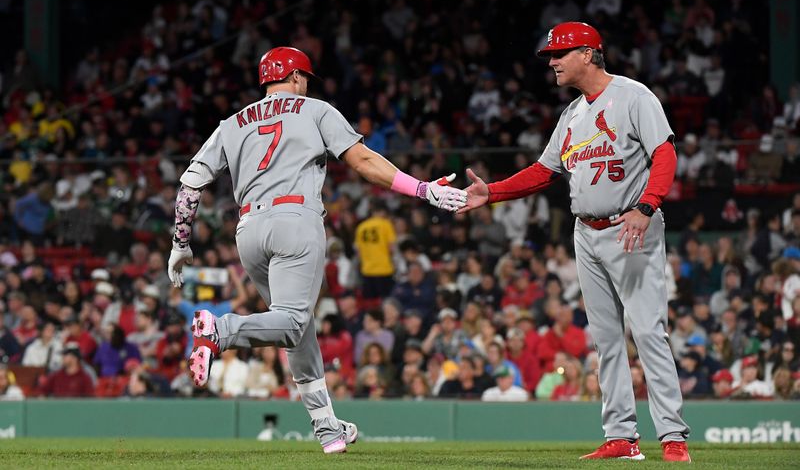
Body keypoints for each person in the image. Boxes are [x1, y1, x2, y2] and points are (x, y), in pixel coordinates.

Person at [166, 47, 467, 454]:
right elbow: (361, 159)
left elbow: (190, 186)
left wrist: (180, 243)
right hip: (295, 219)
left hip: (248, 230)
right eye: (304, 77)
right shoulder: (314, 109)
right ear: (293, 76)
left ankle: (327, 427)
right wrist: (422, 188)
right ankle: (219, 330)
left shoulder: (232, 123)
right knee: (291, 322)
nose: (306, 84)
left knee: (297, 327)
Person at [460, 23, 690, 462]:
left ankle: (673, 437)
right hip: (586, 232)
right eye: (550, 55)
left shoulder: (633, 96)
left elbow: (665, 152)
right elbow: (544, 172)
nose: (552, 63)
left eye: (559, 54)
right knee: (606, 340)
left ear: (588, 53)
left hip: (631, 226)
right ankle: (621, 435)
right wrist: (493, 192)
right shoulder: (572, 115)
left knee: (647, 332)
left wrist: (646, 207)